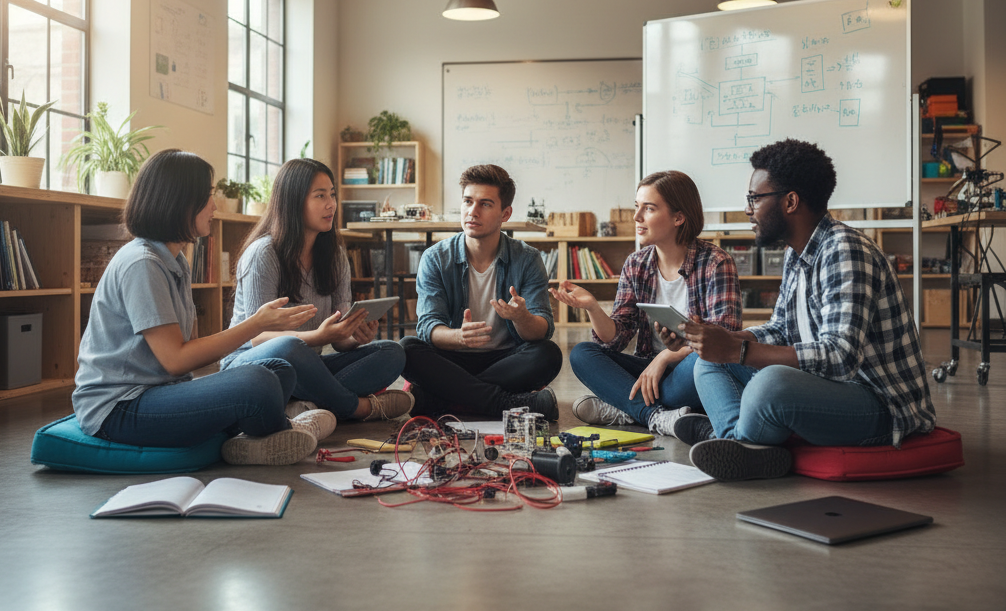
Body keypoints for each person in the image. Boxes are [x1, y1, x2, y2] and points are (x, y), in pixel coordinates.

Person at [680, 138, 937, 481]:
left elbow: (841, 356)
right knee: (707, 362)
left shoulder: (844, 250)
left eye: (754, 199)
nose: (747, 210)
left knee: (770, 385)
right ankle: (740, 445)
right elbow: (780, 328)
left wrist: (740, 350)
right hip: (827, 387)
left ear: (790, 201)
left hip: (879, 405)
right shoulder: (796, 252)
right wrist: (724, 340)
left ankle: (733, 439)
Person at [73, 149, 334, 467]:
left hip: (160, 392)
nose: (214, 206)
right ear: (179, 202)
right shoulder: (142, 264)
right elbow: (176, 360)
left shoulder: (174, 259)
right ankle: (282, 431)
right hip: (119, 408)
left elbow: (188, 354)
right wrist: (256, 324)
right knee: (258, 383)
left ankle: (259, 438)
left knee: (276, 369)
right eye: (208, 196)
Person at [220, 158, 411, 423]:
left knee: (392, 352)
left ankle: (305, 405)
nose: (331, 204)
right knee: (289, 346)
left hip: (309, 369)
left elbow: (339, 340)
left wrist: (355, 335)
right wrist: (317, 336)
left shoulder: (335, 257)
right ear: (293, 202)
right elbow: (258, 337)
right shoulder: (263, 254)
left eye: (332, 194)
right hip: (251, 365)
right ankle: (357, 408)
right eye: (320, 196)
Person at [556, 171, 742, 436]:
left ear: (678, 218)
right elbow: (615, 340)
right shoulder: (636, 263)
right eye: (636, 207)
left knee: (704, 365)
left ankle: (626, 408)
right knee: (582, 354)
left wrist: (667, 356)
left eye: (649, 208)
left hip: (693, 372)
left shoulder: (716, 263)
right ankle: (655, 416)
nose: (636, 217)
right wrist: (593, 308)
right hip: (649, 372)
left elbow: (726, 340)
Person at [400, 164, 562, 419]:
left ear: (505, 213)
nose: (472, 212)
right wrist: (459, 337)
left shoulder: (527, 258)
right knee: (407, 349)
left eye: (485, 204)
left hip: (505, 360)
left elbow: (542, 329)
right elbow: (429, 327)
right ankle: (501, 403)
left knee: (548, 354)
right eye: (467, 201)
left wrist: (522, 318)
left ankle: (442, 398)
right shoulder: (435, 258)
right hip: (452, 358)